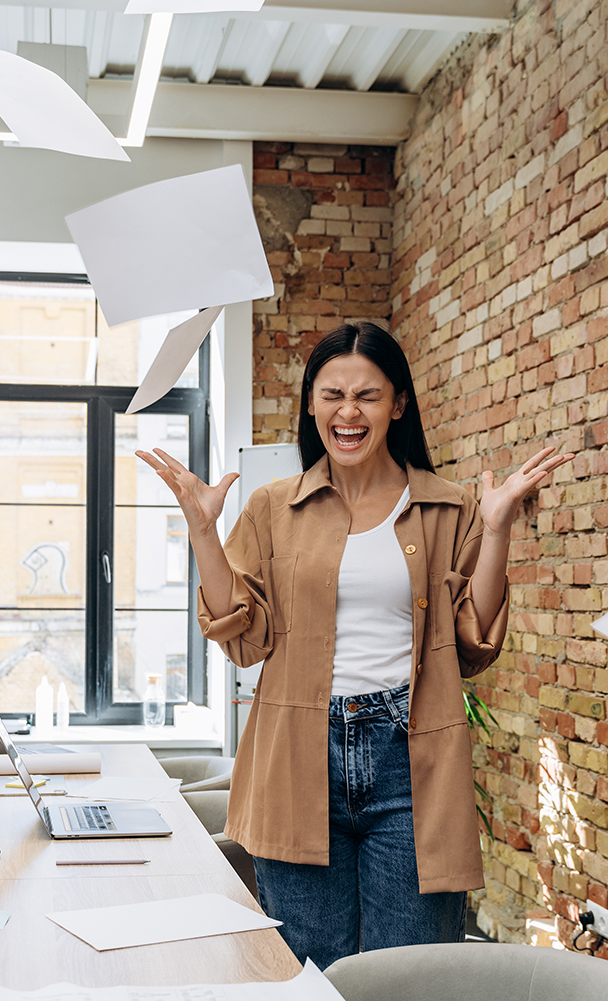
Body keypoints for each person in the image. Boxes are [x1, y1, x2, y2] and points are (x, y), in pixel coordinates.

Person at [136, 321, 573, 968]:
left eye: (367, 395)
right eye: (331, 393)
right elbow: (242, 635)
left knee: (415, 974)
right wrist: (204, 530)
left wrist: (499, 525)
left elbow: (475, 640)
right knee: (309, 972)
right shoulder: (272, 507)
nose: (348, 411)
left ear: (398, 403)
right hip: (296, 759)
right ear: (311, 402)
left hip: (411, 761)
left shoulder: (448, 507)